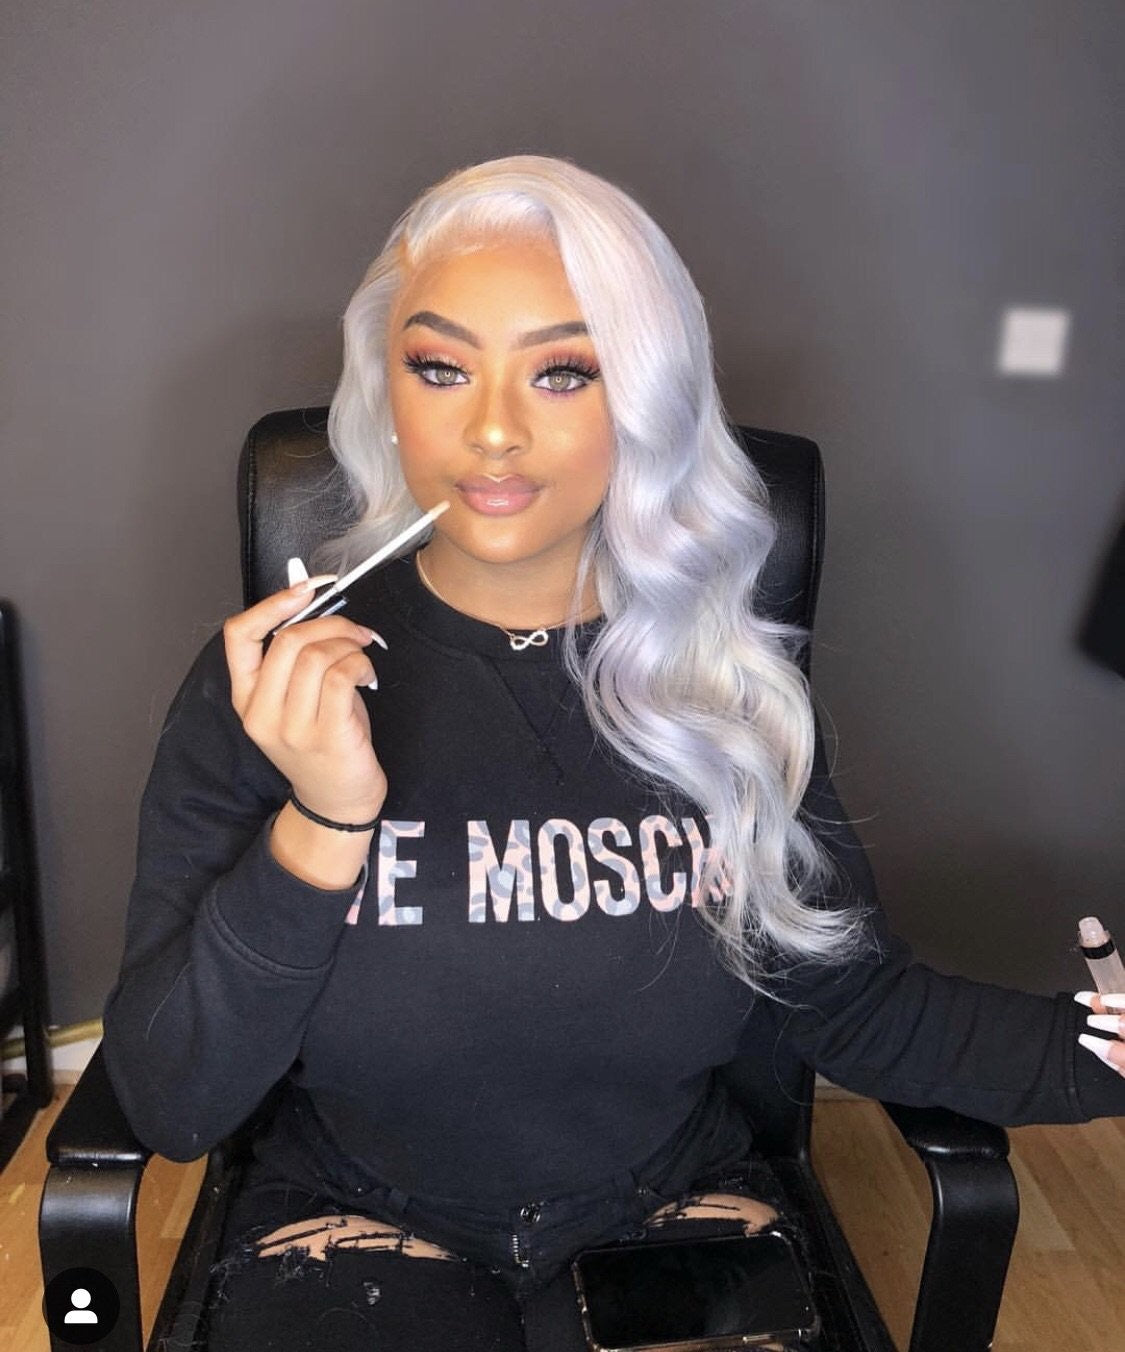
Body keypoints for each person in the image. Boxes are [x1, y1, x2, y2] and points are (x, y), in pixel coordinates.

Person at [101, 155, 1125, 1352]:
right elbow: (172, 1098)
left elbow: (857, 1005)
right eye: (440, 366)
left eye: (564, 371)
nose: (492, 428)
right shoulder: (274, 684)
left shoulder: (729, 693)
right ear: (386, 389)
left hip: (667, 1208)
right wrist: (322, 820)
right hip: (350, 1214)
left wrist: (1097, 1051)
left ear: (645, 398)